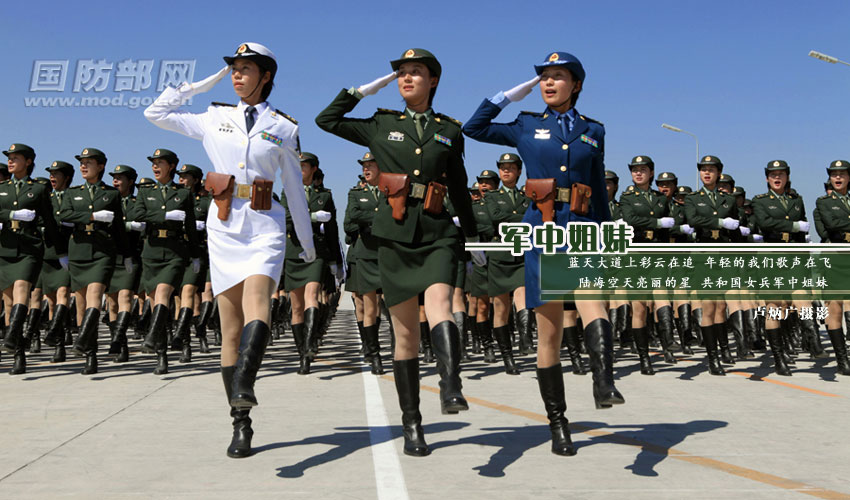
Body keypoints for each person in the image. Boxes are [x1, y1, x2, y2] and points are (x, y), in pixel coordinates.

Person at [145, 42, 314, 459]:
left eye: (245, 69)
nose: (237, 75)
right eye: (233, 69)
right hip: (224, 226)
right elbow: (156, 114)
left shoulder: (284, 126)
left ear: (266, 75)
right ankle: (241, 423)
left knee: (258, 300)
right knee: (230, 328)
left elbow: (295, 190)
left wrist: (307, 244)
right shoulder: (214, 117)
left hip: (264, 225)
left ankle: (244, 382)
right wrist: (196, 86)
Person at [316, 48, 483, 457]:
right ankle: (412, 422)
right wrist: (361, 90)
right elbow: (327, 120)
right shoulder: (380, 124)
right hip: (393, 235)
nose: (406, 79)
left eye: (416, 73)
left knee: (441, 304)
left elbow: (459, 187)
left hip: (438, 231)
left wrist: (475, 238)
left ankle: (450, 384)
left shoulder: (449, 130)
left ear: (434, 81)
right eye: (401, 74)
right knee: (405, 335)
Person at [463, 51, 625, 457]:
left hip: (584, 228)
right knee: (549, 332)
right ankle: (558, 422)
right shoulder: (525, 125)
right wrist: (510, 95)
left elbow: (598, 189)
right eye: (544, 78)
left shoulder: (594, 130)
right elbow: (474, 127)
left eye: (557, 77)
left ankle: (604, 380)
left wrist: (607, 235)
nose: (549, 84)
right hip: (545, 230)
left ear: (577, 85)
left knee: (593, 304)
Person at [59, 147, 129, 375]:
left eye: (89, 162)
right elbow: (63, 215)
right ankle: (90, 353)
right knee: (80, 304)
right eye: (82, 162)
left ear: (100, 166)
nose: (83, 165)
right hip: (79, 250)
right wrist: (90, 216)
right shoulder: (72, 192)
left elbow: (119, 228)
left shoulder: (111, 194)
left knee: (95, 295)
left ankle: (83, 343)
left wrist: (126, 254)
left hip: (102, 251)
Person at [1, 144, 63, 374]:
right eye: (9, 158)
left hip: (29, 248)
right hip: (5, 248)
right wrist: (10, 215)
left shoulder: (37, 190)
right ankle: (18, 352)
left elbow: (50, 221)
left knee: (21, 291)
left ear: (28, 162)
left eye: (15, 158)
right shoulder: (2, 188)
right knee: (8, 302)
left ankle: (12, 338)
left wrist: (60, 252)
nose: (10, 161)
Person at [281, 152, 343, 375]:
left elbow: (333, 230)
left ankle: (309, 346)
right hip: (294, 250)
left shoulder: (325, 195)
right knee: (296, 306)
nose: (299, 170)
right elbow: (286, 220)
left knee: (312, 294)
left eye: (303, 166)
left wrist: (336, 261)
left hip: (316, 251)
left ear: (313, 169)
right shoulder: (288, 192)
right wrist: (314, 217)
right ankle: (302, 354)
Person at [483, 154, 532, 371]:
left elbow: (533, 217)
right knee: (500, 308)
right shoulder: (492, 196)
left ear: (519, 172)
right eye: (503, 168)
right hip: (500, 254)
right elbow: (494, 217)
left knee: (522, 294)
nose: (506, 171)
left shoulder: (526, 196)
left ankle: (525, 336)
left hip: (522, 254)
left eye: (511, 168)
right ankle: (507, 355)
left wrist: (511, 218)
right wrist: (521, 218)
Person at [105, 164, 144, 363]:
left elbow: (141, 222)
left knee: (125, 297)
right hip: (110, 256)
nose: (116, 181)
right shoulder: (108, 200)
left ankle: (117, 341)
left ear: (130, 181)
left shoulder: (137, 202)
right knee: (111, 303)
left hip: (130, 255)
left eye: (120, 178)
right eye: (114, 177)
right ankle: (121, 344)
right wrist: (127, 225)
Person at [814, 160, 850, 375]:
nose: (837, 178)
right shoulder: (824, 202)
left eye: (842, 174)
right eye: (834, 174)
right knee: (834, 308)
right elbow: (830, 227)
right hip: (835, 258)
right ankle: (842, 359)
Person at [41, 161, 76, 363]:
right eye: (51, 174)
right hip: (49, 251)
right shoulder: (46, 197)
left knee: (63, 292)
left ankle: (57, 334)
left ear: (67, 177)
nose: (53, 178)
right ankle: (60, 342)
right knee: (51, 299)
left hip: (69, 250)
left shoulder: (74, 196)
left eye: (57, 174)